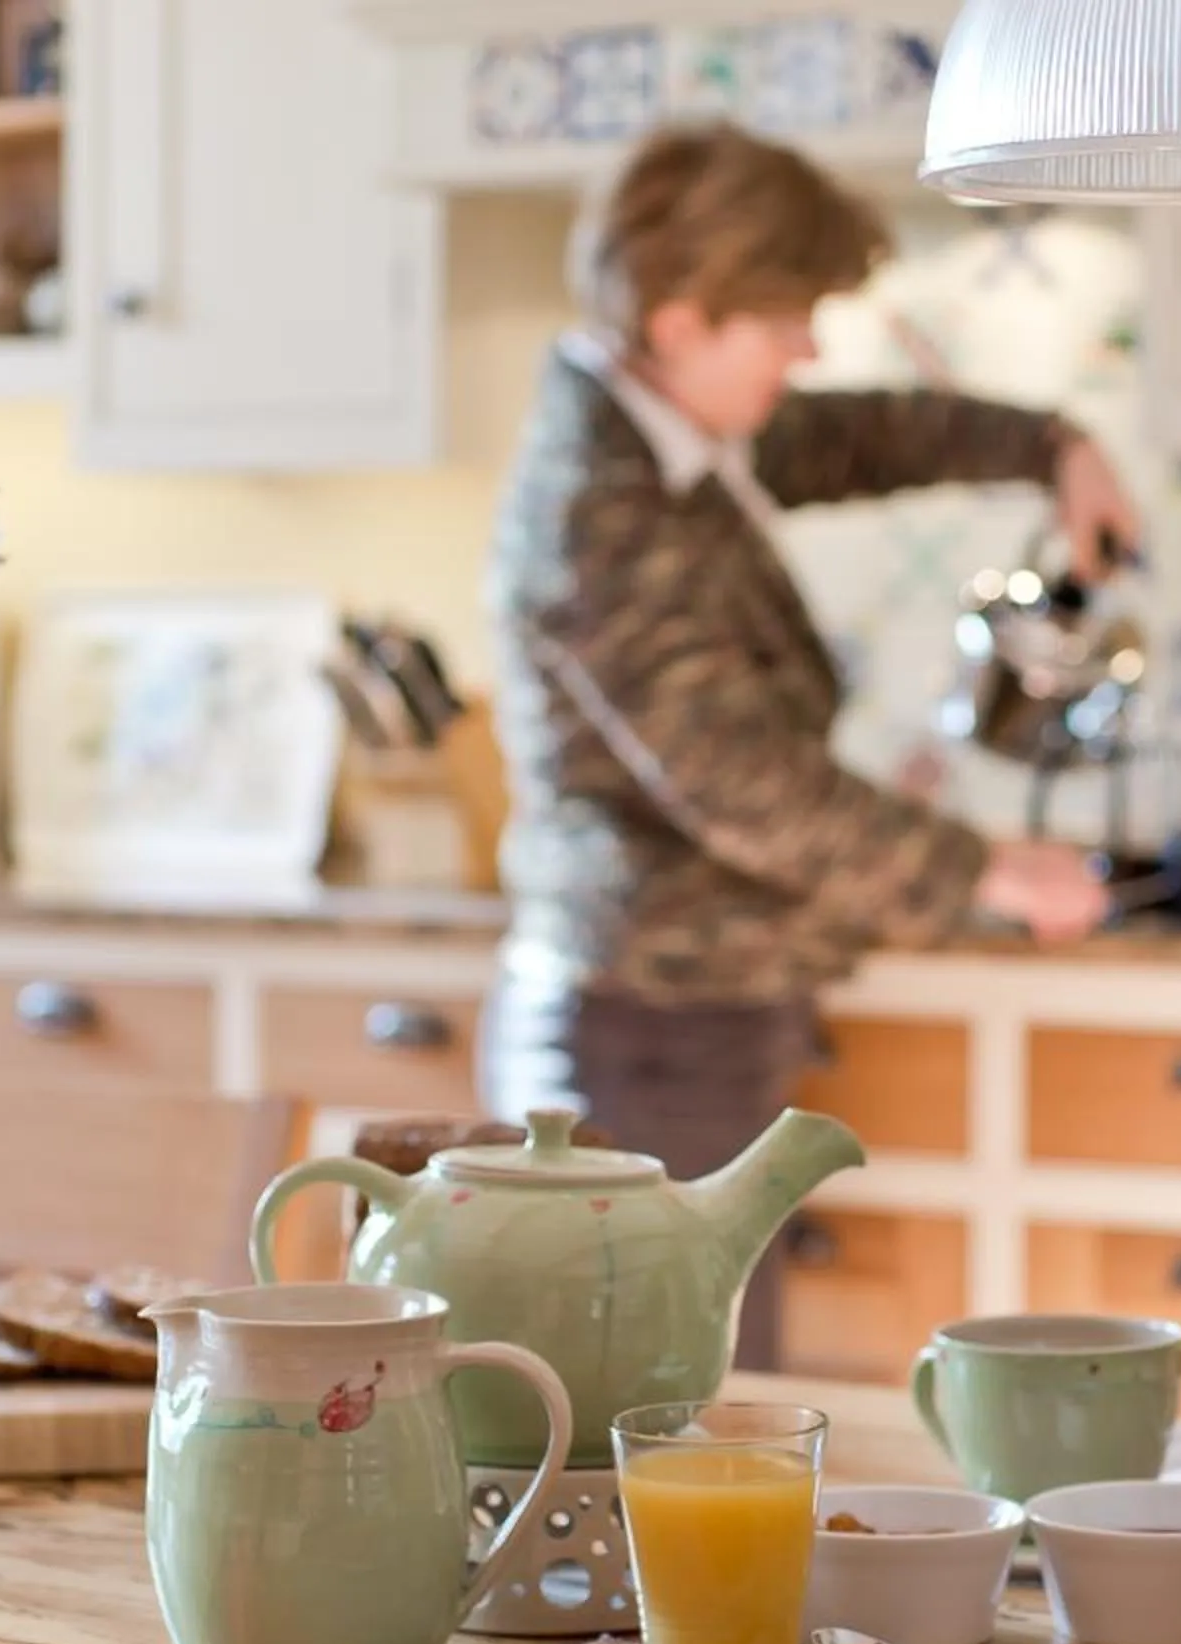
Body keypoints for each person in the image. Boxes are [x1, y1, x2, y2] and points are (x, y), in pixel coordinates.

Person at [480, 122, 1133, 1369]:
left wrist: (1054, 446)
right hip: (645, 1037)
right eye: (786, 322)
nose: (810, 351)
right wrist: (988, 868)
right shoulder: (597, 510)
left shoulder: (666, 436)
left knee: (696, 1407)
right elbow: (746, 785)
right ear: (681, 322)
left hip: (684, 1018)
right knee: (672, 1416)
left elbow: (857, 437)